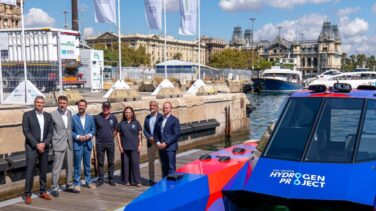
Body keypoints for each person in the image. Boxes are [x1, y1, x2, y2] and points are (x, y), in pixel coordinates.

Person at [22, 96, 53, 204]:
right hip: (32, 147)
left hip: (44, 147)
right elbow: (26, 131)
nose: (40, 104)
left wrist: (44, 143)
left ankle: (43, 191)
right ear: (34, 103)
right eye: (38, 102)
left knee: (43, 170)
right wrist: (36, 144)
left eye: (41, 102)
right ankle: (28, 194)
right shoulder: (27, 115)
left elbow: (50, 132)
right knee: (30, 171)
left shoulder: (48, 116)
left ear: (44, 104)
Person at [50, 96, 78, 197]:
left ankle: (69, 185)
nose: (62, 105)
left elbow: (69, 128)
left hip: (69, 143)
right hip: (58, 143)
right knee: (56, 167)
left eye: (64, 103)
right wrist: (52, 142)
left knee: (70, 166)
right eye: (60, 103)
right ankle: (54, 187)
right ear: (58, 103)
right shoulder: (52, 114)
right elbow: (50, 130)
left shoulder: (69, 113)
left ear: (67, 104)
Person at [71, 99, 96, 192]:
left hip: (87, 144)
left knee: (87, 164)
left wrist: (89, 135)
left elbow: (93, 129)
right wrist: (78, 137)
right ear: (78, 106)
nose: (81, 107)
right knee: (77, 164)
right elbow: (70, 131)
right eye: (79, 105)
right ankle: (76, 183)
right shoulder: (73, 118)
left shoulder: (90, 118)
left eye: (83, 105)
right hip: (78, 144)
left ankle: (88, 182)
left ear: (86, 106)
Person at [117, 106, 142, 187]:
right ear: (124, 113)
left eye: (129, 112)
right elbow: (118, 135)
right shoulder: (121, 123)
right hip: (124, 147)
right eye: (126, 112)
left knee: (135, 164)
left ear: (132, 113)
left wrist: (140, 145)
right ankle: (126, 180)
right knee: (125, 164)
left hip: (134, 146)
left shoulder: (136, 123)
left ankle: (137, 181)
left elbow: (140, 134)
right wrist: (120, 146)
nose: (127, 114)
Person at [94, 102, 118, 187]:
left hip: (110, 143)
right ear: (102, 108)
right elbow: (94, 129)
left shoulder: (114, 118)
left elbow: (115, 129)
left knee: (111, 162)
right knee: (100, 162)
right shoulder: (97, 117)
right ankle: (101, 179)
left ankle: (111, 178)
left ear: (110, 108)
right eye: (104, 107)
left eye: (107, 107)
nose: (105, 109)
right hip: (100, 144)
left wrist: (111, 136)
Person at [155, 102, 180, 178]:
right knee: (164, 166)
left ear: (170, 109)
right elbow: (156, 133)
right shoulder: (159, 119)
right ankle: (165, 184)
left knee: (171, 166)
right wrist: (158, 142)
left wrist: (166, 143)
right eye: (164, 107)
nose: (164, 109)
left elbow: (176, 134)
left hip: (170, 147)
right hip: (161, 147)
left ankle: (173, 186)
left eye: (166, 108)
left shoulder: (174, 120)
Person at [143, 100, 163, 186]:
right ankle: (151, 179)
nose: (152, 107)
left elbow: (163, 129)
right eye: (151, 105)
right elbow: (145, 130)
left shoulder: (161, 117)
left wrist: (158, 139)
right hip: (150, 143)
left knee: (161, 161)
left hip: (159, 143)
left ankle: (163, 178)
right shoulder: (147, 118)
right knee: (150, 162)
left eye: (154, 106)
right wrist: (149, 137)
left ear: (157, 107)